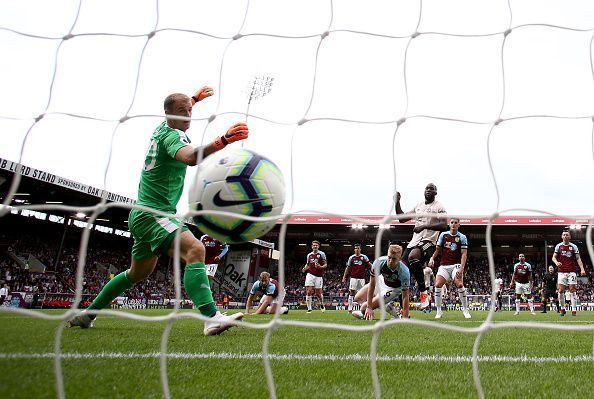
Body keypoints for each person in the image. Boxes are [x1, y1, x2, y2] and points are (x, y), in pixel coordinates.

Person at [68, 88, 249, 335]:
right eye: (183, 112)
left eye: (190, 111)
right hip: (155, 213)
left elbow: (176, 109)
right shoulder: (173, 136)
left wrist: (192, 100)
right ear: (169, 114)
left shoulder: (160, 128)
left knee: (137, 273)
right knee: (196, 249)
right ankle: (211, 318)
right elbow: (190, 157)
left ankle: (87, 315)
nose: (188, 116)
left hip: (142, 213)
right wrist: (223, 141)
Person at [395, 183, 447, 309]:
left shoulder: (438, 206)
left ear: (435, 192)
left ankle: (423, 292)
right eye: (427, 188)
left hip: (429, 242)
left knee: (413, 257)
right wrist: (397, 202)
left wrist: (424, 226)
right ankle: (403, 311)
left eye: (431, 189)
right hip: (414, 242)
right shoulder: (419, 206)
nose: (428, 190)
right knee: (401, 271)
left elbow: (444, 225)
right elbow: (402, 219)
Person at [351, 244, 410, 320]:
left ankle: (390, 308)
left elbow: (405, 296)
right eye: (389, 257)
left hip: (393, 289)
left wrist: (405, 317)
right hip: (381, 280)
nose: (390, 261)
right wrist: (369, 307)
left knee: (363, 308)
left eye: (394, 259)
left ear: (399, 259)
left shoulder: (404, 272)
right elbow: (372, 285)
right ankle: (387, 305)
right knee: (357, 298)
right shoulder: (378, 262)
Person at [428, 218, 471, 319]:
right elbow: (437, 250)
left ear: (458, 225)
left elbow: (464, 254)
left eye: (456, 223)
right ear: (449, 224)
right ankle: (439, 311)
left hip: (456, 265)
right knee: (437, 284)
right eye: (452, 222)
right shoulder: (443, 235)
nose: (453, 224)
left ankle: (465, 309)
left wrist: (461, 269)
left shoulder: (462, 237)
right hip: (444, 265)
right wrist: (432, 258)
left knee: (459, 284)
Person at [552, 230, 587, 316]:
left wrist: (582, 269)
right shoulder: (558, 246)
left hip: (572, 271)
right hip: (561, 271)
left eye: (567, 235)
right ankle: (563, 308)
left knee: (572, 290)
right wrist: (556, 262)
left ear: (570, 237)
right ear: (562, 237)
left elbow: (578, 258)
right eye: (564, 235)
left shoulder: (574, 246)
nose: (565, 236)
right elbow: (553, 257)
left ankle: (574, 310)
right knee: (560, 291)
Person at [342, 243, 372, 313]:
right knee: (352, 292)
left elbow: (370, 265)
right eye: (356, 248)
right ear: (354, 249)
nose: (357, 249)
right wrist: (344, 277)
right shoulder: (351, 258)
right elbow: (348, 268)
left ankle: (362, 307)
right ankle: (350, 307)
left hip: (362, 278)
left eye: (358, 248)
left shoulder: (364, 257)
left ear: (360, 249)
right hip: (353, 278)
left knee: (363, 293)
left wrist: (375, 270)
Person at [301, 240, 327, 313]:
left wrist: (320, 267)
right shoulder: (309, 255)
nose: (315, 246)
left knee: (318, 294)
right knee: (309, 291)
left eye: (316, 245)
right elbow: (308, 264)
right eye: (314, 245)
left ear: (318, 246)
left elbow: (325, 265)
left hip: (319, 276)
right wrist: (304, 268)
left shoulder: (322, 254)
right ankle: (309, 309)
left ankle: (321, 304)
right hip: (310, 274)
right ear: (312, 246)